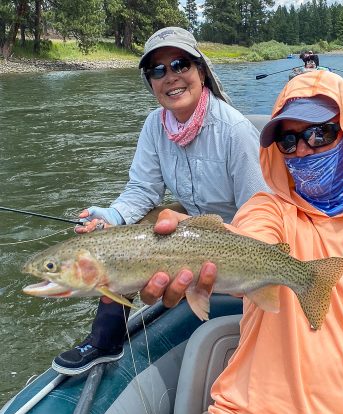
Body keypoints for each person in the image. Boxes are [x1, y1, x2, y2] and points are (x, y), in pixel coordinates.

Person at [113, 70, 343, 414]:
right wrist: (190, 246)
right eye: (288, 142)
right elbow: (248, 245)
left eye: (320, 134)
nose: (303, 150)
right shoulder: (266, 210)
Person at [52, 26, 267, 375]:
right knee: (127, 232)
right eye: (158, 70)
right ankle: (105, 340)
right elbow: (142, 190)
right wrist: (111, 216)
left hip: (237, 229)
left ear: (201, 71)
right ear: (150, 82)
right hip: (194, 223)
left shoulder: (235, 131)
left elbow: (261, 212)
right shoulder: (155, 125)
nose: (171, 77)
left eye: (180, 64)